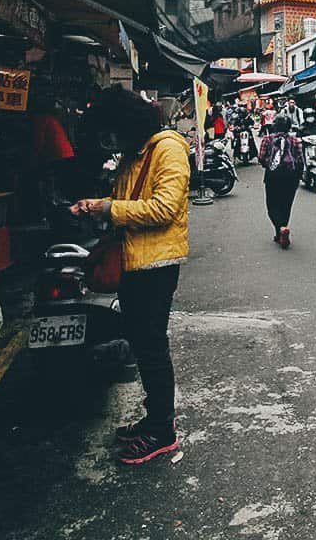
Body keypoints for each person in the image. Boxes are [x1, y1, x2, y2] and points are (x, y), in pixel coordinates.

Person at [70, 93, 190, 465]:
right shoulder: (134, 154)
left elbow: (164, 208)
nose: (110, 143)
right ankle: (154, 419)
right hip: (134, 261)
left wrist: (108, 207)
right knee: (142, 344)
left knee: (152, 348)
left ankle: (163, 431)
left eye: (112, 135)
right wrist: (100, 207)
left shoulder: (168, 148)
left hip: (156, 265)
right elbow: (127, 203)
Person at [258, 114, 304, 248]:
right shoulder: (295, 140)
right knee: (286, 205)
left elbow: (261, 157)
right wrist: (299, 176)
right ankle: (282, 229)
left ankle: (280, 230)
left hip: (273, 177)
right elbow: (300, 160)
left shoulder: (267, 139)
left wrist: (269, 164)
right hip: (291, 177)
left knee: (272, 205)